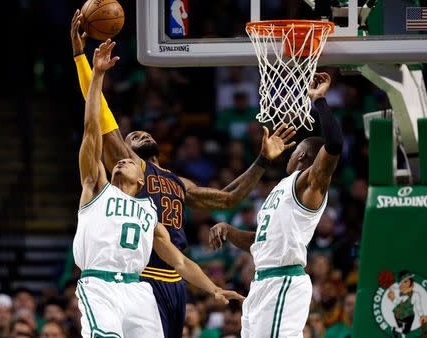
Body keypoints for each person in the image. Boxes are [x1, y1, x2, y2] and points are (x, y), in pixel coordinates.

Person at [70, 11, 296, 338]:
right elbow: (98, 117)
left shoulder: (178, 183)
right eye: (133, 137)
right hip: (139, 275)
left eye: (145, 134)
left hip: (175, 279)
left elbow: (228, 197)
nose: (140, 135)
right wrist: (83, 60)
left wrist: (262, 159)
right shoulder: (128, 165)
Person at [73, 39, 244, 338]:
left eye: (128, 161)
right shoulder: (96, 188)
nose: (121, 162)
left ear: (141, 181)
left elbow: (178, 260)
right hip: (100, 284)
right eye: (120, 159)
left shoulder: (148, 209)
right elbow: (92, 129)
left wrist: (212, 288)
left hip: (137, 290)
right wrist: (97, 75)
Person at [209, 72, 344, 338]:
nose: (289, 154)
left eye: (294, 151)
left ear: (302, 155)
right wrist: (229, 230)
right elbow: (263, 241)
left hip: (283, 280)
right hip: (262, 282)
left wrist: (319, 101)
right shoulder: (281, 188)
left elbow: (335, 145)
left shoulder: (308, 183)